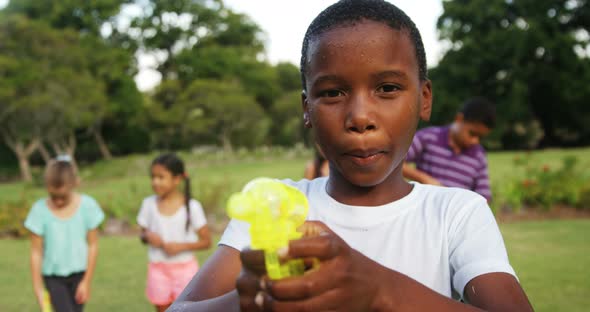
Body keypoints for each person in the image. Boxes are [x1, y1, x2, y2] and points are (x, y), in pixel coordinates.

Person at [169, 1, 533, 311]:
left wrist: (379, 290)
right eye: (332, 93)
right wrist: (247, 299)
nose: (359, 117)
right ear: (306, 108)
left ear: (424, 98)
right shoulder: (275, 205)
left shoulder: (456, 213)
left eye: (387, 88)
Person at [25, 155, 104, 312]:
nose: (58, 202)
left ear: (75, 184)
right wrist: (38, 289)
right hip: (53, 277)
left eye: (63, 197)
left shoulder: (88, 206)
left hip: (80, 274)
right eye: (54, 197)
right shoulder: (39, 210)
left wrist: (86, 281)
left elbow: (93, 245)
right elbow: (36, 252)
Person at [137, 153, 211, 312]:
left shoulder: (192, 207)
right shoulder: (148, 204)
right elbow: (142, 234)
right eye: (152, 177)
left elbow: (207, 242)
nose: (155, 182)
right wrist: (147, 236)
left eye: (161, 177)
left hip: (185, 270)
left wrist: (181, 247)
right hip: (158, 269)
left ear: (177, 179)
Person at [403, 97, 496, 201]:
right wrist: (425, 179)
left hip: (455, 213)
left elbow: (484, 196)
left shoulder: (478, 155)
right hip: (424, 207)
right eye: (472, 134)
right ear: (459, 119)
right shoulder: (429, 137)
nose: (475, 141)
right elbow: (395, 162)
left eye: (480, 137)